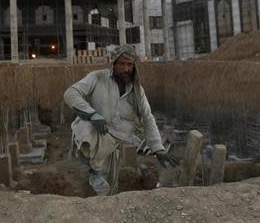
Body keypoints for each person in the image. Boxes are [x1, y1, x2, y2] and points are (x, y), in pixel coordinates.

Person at [64, 45, 178, 196]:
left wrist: (158, 148)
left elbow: (148, 118)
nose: (126, 68)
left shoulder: (137, 92)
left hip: (112, 145)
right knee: (84, 124)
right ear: (114, 64)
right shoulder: (97, 78)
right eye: (122, 64)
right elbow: (70, 93)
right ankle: (89, 168)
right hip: (94, 133)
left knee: (108, 191)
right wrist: (92, 114)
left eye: (130, 65)